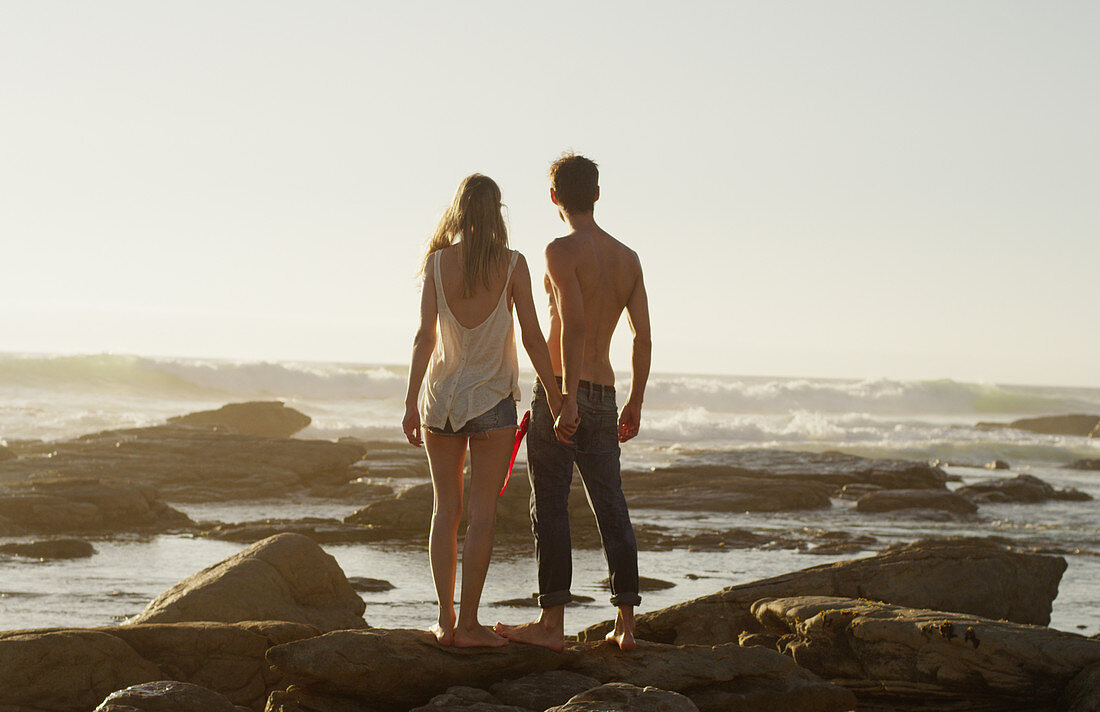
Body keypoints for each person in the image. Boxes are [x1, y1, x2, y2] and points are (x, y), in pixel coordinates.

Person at [496, 153, 651, 651]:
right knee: (612, 508)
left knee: (551, 509)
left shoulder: (560, 251)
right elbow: (643, 339)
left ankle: (551, 627)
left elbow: (574, 322)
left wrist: (564, 400)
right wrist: (635, 402)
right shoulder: (627, 258)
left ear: (554, 196)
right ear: (597, 194)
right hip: (606, 394)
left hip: (564, 390)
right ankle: (627, 626)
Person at [402, 173, 562, 648]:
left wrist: (410, 401)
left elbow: (424, 338)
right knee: (482, 515)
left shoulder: (436, 263)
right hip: (492, 402)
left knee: (443, 511)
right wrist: (555, 394)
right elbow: (533, 335)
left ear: (458, 211)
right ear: (497, 212)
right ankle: (470, 625)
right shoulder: (513, 265)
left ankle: (445, 622)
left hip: (440, 401)